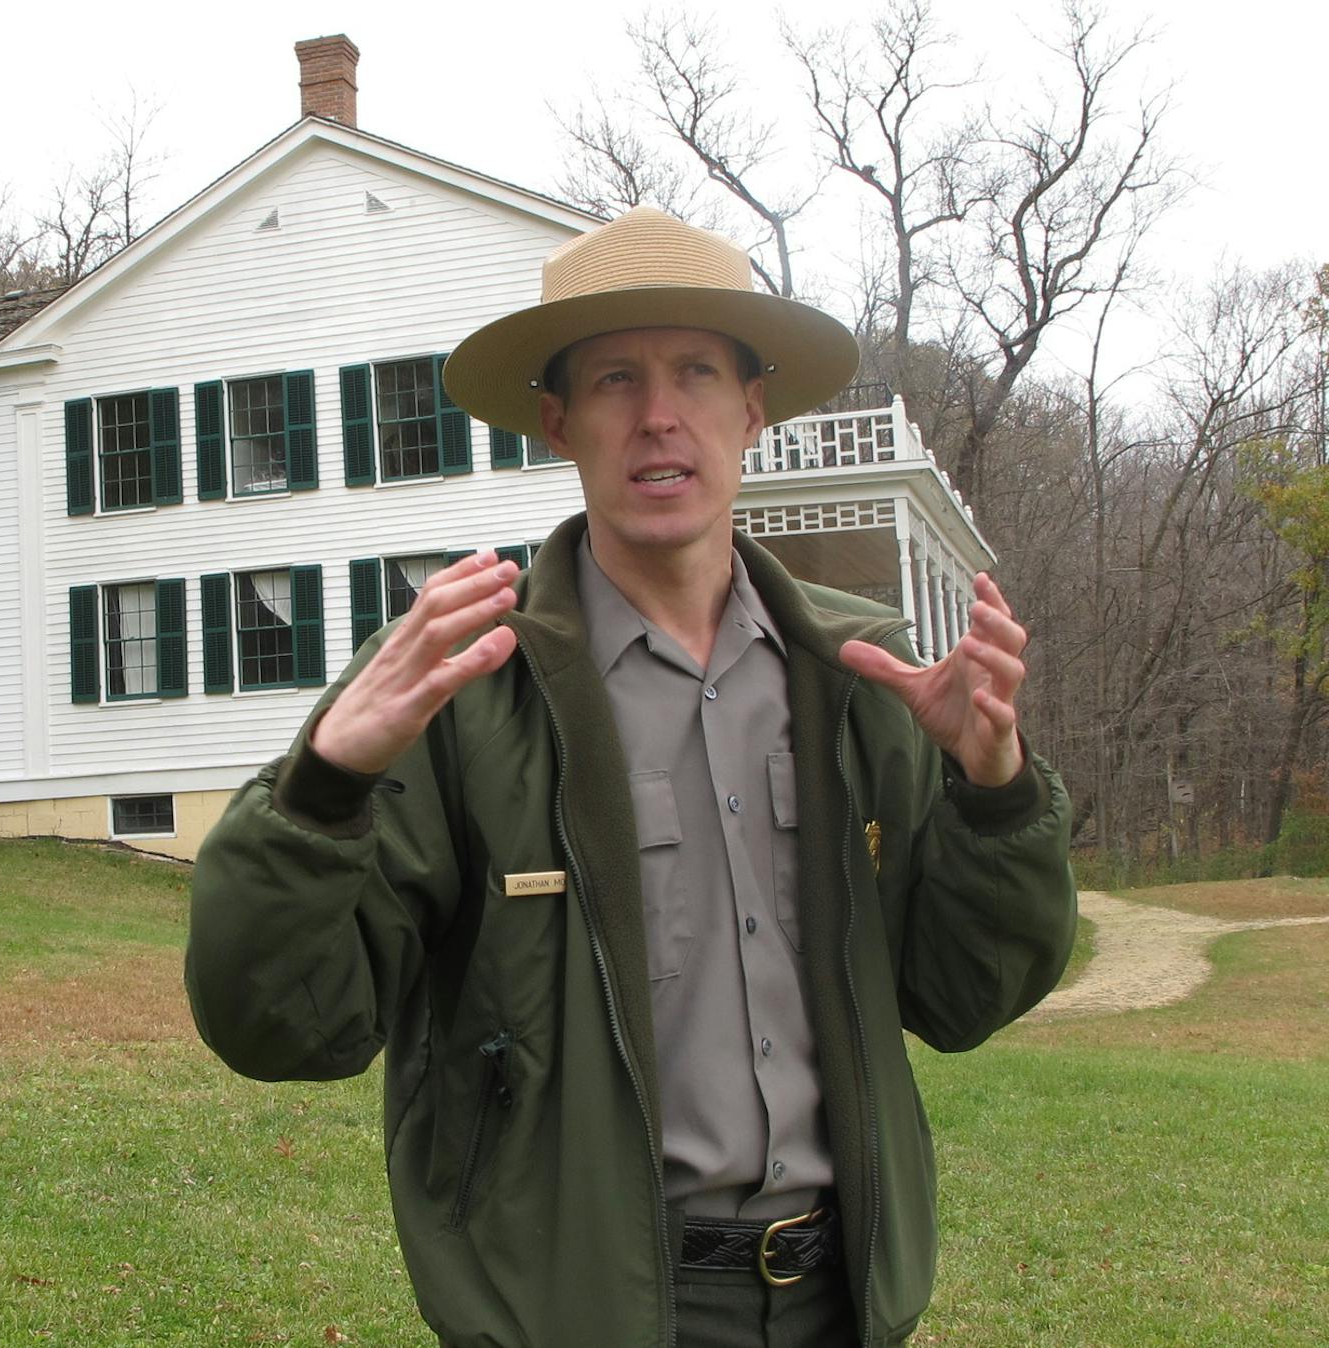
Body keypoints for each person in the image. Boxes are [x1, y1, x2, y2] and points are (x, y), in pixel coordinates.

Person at [184, 207, 1076, 1348]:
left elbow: (962, 995)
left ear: (751, 406)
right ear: (557, 420)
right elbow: (282, 1025)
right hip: (582, 1310)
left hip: (842, 1305)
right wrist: (319, 791)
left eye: (696, 371)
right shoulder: (469, 688)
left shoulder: (862, 677)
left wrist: (993, 791)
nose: (659, 415)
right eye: (613, 379)